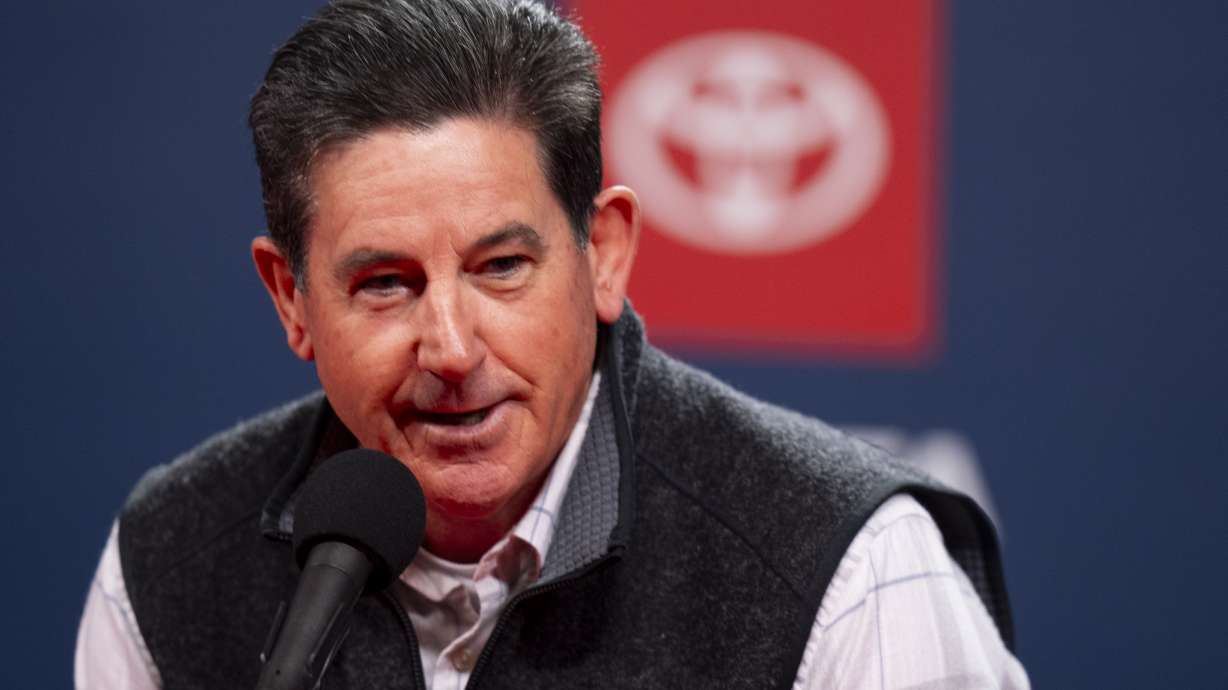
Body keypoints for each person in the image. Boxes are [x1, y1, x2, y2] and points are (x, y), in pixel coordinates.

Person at [75, 0, 1028, 687]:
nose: (449, 348)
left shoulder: (845, 572)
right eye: (385, 284)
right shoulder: (169, 560)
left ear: (604, 254)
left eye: (500, 267)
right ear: (291, 299)